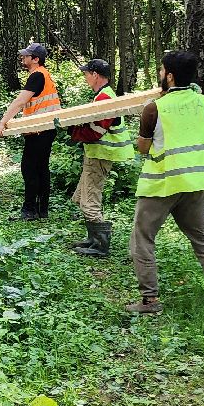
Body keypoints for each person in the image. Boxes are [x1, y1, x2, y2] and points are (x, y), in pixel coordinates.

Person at [127, 49, 204, 316]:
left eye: (162, 71)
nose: (160, 75)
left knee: (142, 239)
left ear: (171, 76)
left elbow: (143, 148)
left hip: (163, 183)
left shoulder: (154, 108)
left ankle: (150, 301)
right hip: (196, 181)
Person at [67, 58, 134, 258]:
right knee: (81, 196)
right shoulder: (103, 96)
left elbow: (96, 131)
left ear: (95, 75)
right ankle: (92, 238)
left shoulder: (105, 98)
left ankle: (100, 245)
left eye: (87, 73)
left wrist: (72, 130)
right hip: (96, 154)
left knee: (89, 200)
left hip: (101, 154)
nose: (85, 77)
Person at [0, 41, 61, 220]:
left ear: (35, 59)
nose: (22, 58)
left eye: (26, 56)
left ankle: (30, 210)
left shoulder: (37, 75)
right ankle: (42, 210)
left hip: (40, 130)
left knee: (30, 168)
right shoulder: (43, 75)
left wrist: (3, 122)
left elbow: (20, 101)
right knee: (41, 168)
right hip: (45, 128)